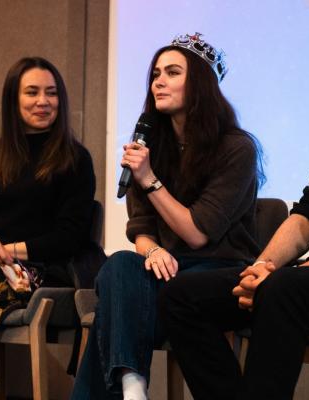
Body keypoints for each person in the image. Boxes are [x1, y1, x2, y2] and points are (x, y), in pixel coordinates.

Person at [158, 5, 309, 400]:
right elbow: (308, 213)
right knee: (182, 296)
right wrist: (260, 269)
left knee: (283, 290)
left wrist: (290, 275)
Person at [72, 33, 265, 400]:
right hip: (168, 269)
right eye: (156, 74)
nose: (158, 81)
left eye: (173, 72)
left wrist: (148, 178)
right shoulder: (151, 145)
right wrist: (152, 250)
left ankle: (129, 390)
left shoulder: (236, 148)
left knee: (114, 312)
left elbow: (198, 233)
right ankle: (133, 387)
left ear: (201, 84)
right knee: (118, 265)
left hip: (217, 273)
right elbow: (142, 229)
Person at [0, 57, 96, 399]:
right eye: (32, 92)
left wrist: (5, 251)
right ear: (13, 100)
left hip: (44, 270)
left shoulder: (75, 159)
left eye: (51, 93)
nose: (43, 101)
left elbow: (70, 237)